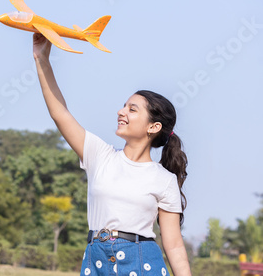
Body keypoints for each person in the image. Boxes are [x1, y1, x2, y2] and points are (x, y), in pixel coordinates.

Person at [32, 33, 191, 276]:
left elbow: (175, 246)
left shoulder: (164, 179)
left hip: (142, 263)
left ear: (153, 127)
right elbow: (60, 114)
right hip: (96, 262)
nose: (121, 111)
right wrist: (41, 58)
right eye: (124, 105)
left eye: (132, 109)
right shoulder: (99, 155)